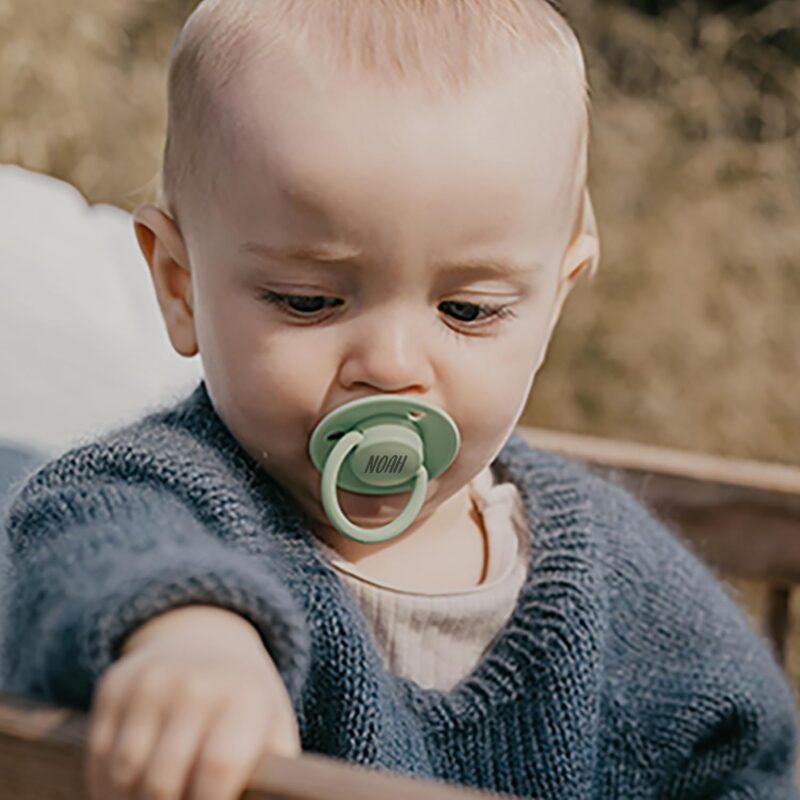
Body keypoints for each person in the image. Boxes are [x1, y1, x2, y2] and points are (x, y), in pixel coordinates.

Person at [2, 1, 797, 798]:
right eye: (307, 301)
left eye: (468, 311)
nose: (389, 366)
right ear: (180, 288)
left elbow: (752, 758)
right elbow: (84, 551)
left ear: (556, 297)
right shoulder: (161, 491)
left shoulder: (623, 581)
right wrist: (187, 634)